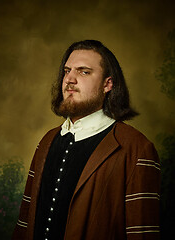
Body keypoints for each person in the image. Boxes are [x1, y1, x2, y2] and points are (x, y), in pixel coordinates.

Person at [12, 40, 160, 240]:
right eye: (67, 71)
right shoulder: (47, 141)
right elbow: (24, 225)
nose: (69, 79)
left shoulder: (137, 148)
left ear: (108, 84)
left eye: (84, 72)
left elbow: (142, 234)